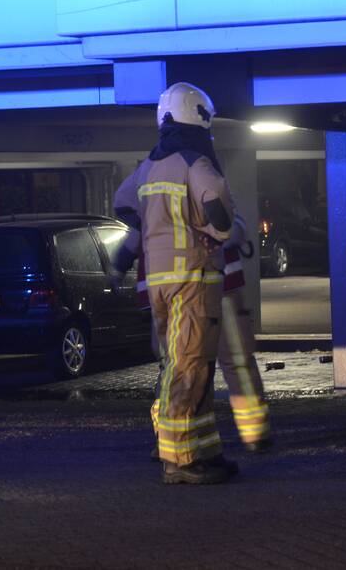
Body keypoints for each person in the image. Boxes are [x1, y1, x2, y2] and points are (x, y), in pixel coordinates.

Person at [112, 81, 240, 485]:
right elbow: (219, 212)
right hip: (193, 278)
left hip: (161, 285)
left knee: (179, 363)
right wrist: (219, 232)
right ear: (198, 115)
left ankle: (202, 448)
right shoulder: (194, 161)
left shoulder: (148, 166)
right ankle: (182, 461)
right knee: (190, 367)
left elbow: (123, 204)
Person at [215, 220, 272, 452]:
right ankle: (255, 432)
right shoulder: (208, 185)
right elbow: (235, 229)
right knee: (237, 360)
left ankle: (175, 440)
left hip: (188, 293)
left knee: (180, 367)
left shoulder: (152, 190)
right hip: (221, 289)